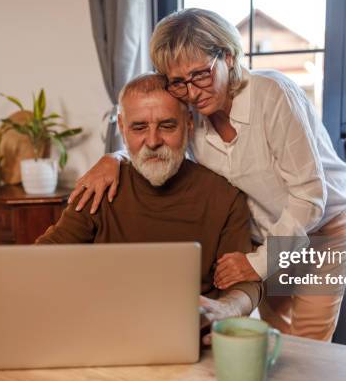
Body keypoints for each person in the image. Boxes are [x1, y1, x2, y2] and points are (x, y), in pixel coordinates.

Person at [69, 9, 346, 341]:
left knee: (309, 345)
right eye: (178, 82)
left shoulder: (272, 95)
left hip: (321, 229)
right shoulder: (193, 116)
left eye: (200, 74)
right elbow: (157, 139)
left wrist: (258, 264)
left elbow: (309, 197)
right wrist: (115, 157)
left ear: (229, 57)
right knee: (279, 337)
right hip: (266, 234)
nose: (192, 92)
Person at [36, 73, 262, 343]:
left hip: (188, 339)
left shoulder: (225, 196)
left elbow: (245, 281)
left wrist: (229, 308)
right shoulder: (99, 185)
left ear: (189, 123)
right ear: (122, 127)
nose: (153, 141)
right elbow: (44, 257)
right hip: (103, 332)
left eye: (167, 126)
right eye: (139, 127)